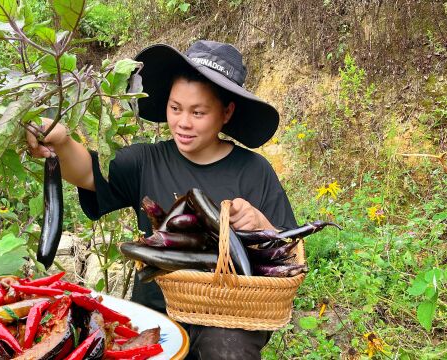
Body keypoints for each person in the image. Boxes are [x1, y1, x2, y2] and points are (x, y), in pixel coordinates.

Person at [26, 40, 297, 360]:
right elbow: (86, 172)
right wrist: (61, 140)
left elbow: (289, 253)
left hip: (231, 323)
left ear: (226, 112)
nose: (183, 122)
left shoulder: (253, 170)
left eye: (198, 112)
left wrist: (260, 223)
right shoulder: (145, 161)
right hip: (156, 313)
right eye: (175, 107)